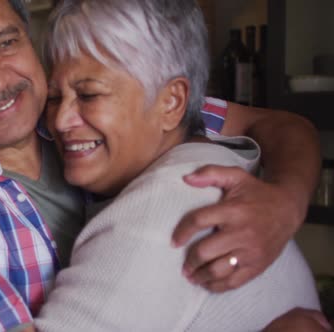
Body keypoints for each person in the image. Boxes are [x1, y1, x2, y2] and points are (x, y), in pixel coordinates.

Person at [0, 0, 324, 330]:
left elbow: (281, 126)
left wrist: (286, 201)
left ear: (29, 37)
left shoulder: (85, 108)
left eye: (6, 42)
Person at [31, 0, 322, 330]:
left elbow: (286, 126)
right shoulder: (174, 135)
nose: (61, 119)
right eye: (54, 97)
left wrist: (288, 201)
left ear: (172, 102)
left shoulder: (161, 206)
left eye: (89, 95)